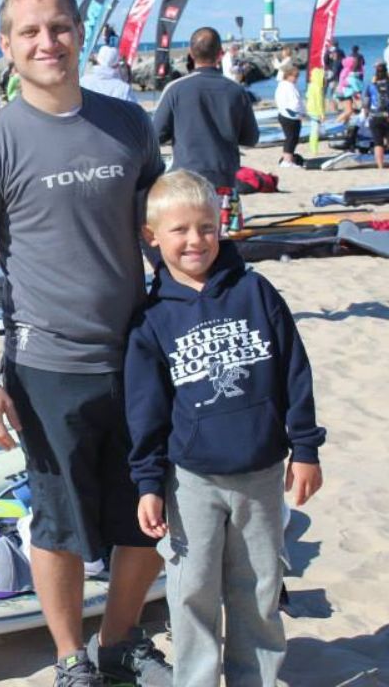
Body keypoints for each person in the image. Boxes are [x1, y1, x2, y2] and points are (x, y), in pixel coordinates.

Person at [0, 0, 170, 687]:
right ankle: (71, 657)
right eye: (31, 31)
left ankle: (120, 642)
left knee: (148, 514)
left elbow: (159, 238)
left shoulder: (127, 123)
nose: (48, 42)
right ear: (8, 47)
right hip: (48, 369)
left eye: (61, 27)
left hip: (138, 358)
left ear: (80, 34)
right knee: (60, 522)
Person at [125, 168, 325, 687]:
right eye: (180, 230)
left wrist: (305, 449)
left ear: (222, 226)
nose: (196, 240)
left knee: (258, 589)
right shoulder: (151, 321)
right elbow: (145, 413)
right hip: (191, 482)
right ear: (152, 237)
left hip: (261, 474)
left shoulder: (257, 293)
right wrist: (148, 484)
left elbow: (294, 374)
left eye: (207, 228)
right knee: (191, 593)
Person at [152, 27, 259, 235]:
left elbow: (156, 135)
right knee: (225, 246)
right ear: (220, 53)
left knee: (189, 246)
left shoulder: (176, 89)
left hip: (186, 182)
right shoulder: (235, 91)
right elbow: (251, 138)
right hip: (224, 182)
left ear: (191, 54)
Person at [275, 65, 304, 167]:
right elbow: (295, 103)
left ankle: (287, 159)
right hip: (290, 116)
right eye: (295, 76)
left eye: (297, 76)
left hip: (285, 114)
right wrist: (299, 114)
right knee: (291, 138)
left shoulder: (282, 85)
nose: (296, 78)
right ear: (288, 76)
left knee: (291, 138)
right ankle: (287, 161)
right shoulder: (289, 86)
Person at [364, 61, 389, 169]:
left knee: (378, 142)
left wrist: (366, 114)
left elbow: (366, 103)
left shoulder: (371, 86)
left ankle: (380, 166)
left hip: (375, 116)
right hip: (387, 115)